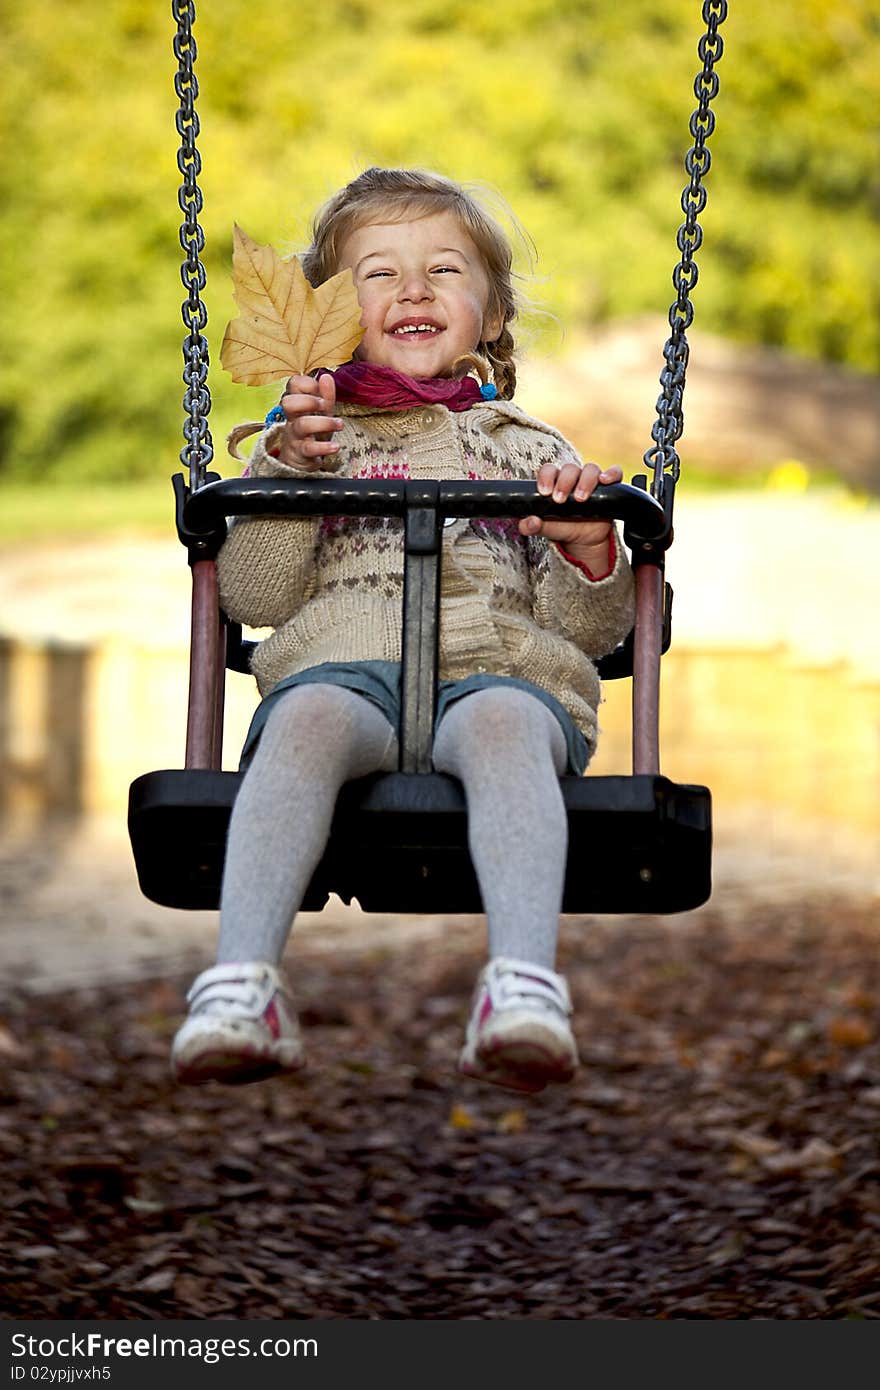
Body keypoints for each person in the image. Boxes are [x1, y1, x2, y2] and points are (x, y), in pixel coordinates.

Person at [170, 167, 635, 1094]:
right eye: (378, 274)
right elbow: (253, 597)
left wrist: (591, 550)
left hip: (498, 673)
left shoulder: (534, 450)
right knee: (302, 725)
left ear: (493, 313)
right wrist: (287, 477)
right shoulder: (305, 439)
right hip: (344, 672)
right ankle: (242, 982)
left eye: (446, 271)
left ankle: (523, 986)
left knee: (509, 727)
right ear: (333, 312)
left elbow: (585, 630)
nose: (414, 290)